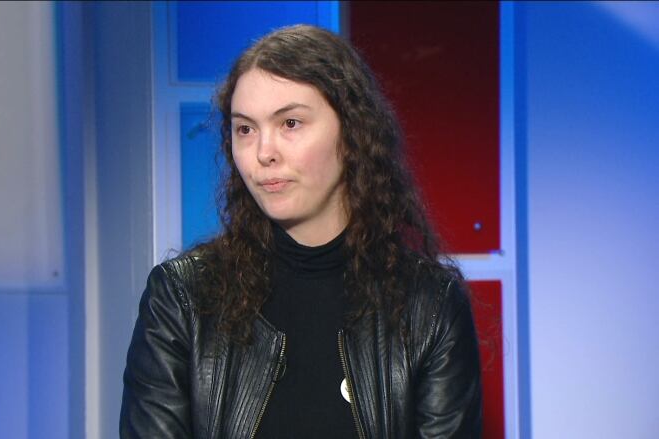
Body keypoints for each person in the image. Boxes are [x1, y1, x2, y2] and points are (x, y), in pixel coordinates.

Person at [120, 25, 482, 438]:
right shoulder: (182, 297)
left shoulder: (429, 305)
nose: (264, 153)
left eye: (290, 123)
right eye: (245, 129)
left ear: (352, 133)